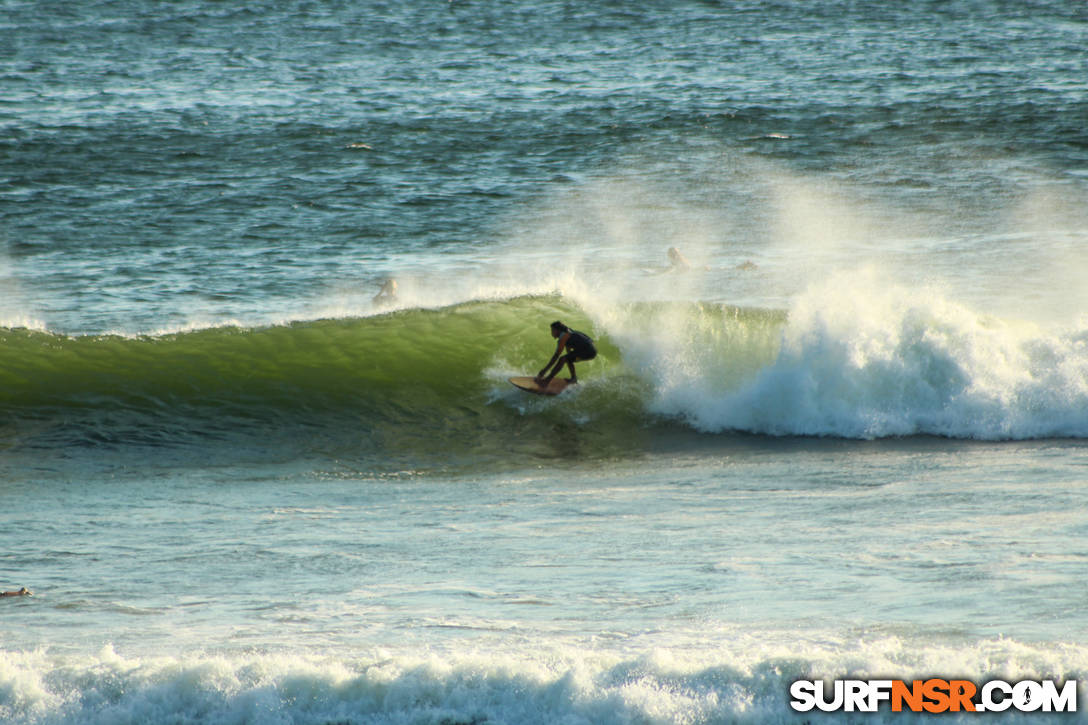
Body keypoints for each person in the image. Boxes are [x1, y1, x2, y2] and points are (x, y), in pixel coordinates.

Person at [535, 321, 597, 386]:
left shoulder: (563, 337)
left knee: (563, 359)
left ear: (557, 330)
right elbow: (569, 353)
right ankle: (573, 378)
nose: (551, 333)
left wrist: (544, 370)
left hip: (588, 350)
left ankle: (547, 381)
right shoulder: (568, 332)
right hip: (591, 349)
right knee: (567, 358)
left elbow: (556, 356)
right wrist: (568, 359)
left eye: (552, 330)